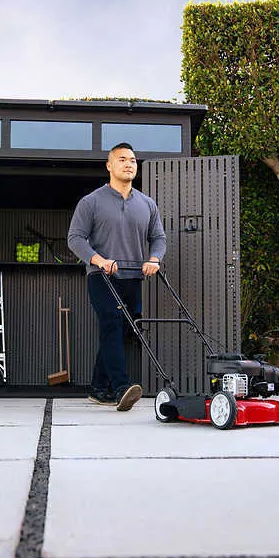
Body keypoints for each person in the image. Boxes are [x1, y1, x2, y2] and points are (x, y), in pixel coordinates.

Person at [67, 142, 167, 411]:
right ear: (109, 166)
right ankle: (121, 387)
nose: (129, 164)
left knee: (121, 330)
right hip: (101, 275)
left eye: (132, 160)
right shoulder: (91, 202)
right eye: (122, 159)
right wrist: (99, 260)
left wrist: (154, 259)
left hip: (133, 277)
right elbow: (75, 238)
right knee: (111, 322)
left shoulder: (147, 204)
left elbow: (158, 238)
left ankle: (99, 389)